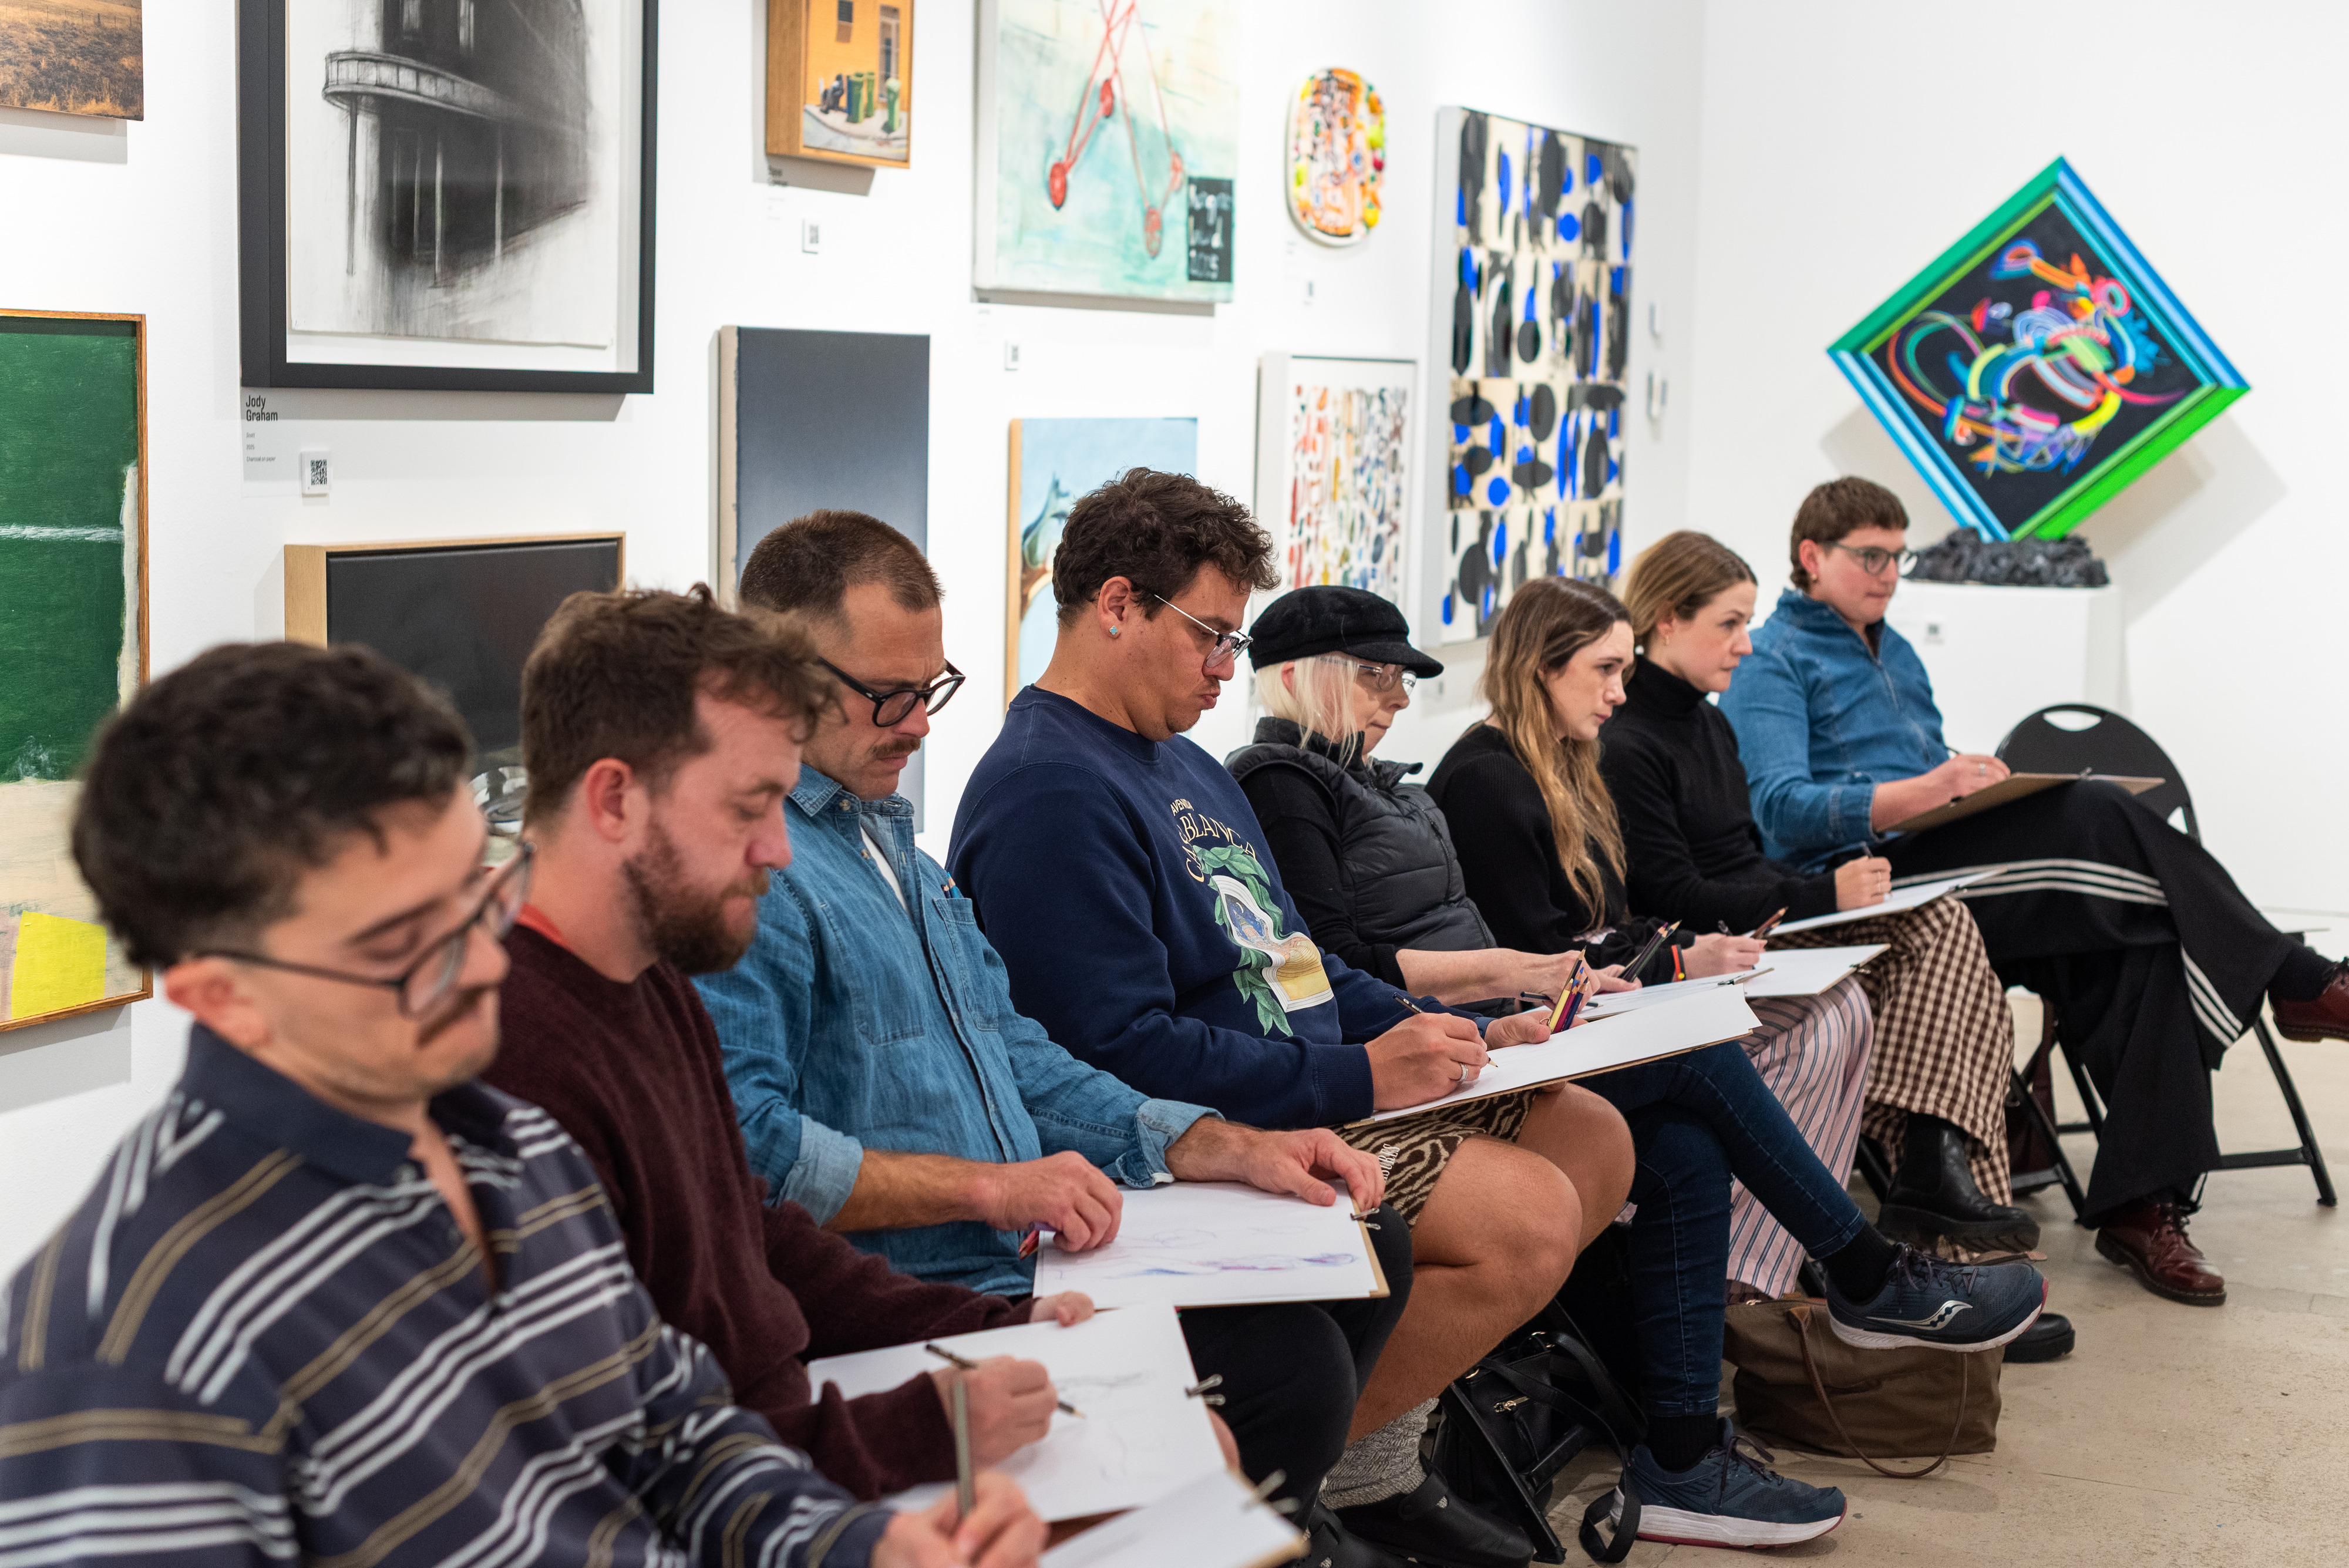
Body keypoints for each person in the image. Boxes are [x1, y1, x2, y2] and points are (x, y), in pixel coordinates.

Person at [0, 639, 1040, 1568]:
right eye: (406, 943)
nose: (480, 963)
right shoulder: (128, 1345)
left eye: (475, 887)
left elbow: (666, 1437)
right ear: (223, 996)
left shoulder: (507, 1146)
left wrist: (856, 1545)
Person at [692, 512, 1415, 1566]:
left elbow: (1017, 1050)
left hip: (1013, 1250)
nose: (919, 725)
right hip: (934, 1279)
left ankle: (1278, 1527)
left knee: (1349, 1258)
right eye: (885, 696)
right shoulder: (762, 873)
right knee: (1287, 1367)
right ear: (775, 673)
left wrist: (1214, 1141)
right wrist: (985, 1190)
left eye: (930, 689)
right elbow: (750, 1152)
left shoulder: (891, 842)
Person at [949, 470, 1634, 1568]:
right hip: (1218, 1134)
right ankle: (1329, 1484)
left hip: (1311, 1092)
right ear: (1116, 606)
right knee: (1527, 1220)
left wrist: (1443, 1029)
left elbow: (1296, 966)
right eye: (1211, 637)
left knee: (1595, 1135)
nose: (1231, 669)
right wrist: (1364, 1078)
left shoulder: (1178, 758)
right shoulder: (1050, 790)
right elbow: (1109, 1054)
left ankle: (1355, 1470)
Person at [1425, 577, 2050, 1547]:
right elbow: (1536, 950)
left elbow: (1607, 924)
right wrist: (1671, 962)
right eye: (1603, 670)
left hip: (1568, 1024)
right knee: (1702, 1054)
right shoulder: (1486, 777)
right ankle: (1866, 1270)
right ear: (1538, 668)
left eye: (1626, 670)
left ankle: (1680, 1455)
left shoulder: (1563, 764)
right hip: (1517, 1044)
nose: (1619, 692)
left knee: (1683, 1146)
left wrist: (1668, 957)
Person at [476, 584, 1087, 1508]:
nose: (780, 849)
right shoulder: (512, 1062)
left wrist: (1000, 1321)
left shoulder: (651, 979)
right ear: (613, 798)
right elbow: (620, 1461)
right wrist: (924, 1426)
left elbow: (754, 1233)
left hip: (796, 1443)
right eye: (748, 807)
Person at [1721, 476, 2349, 1307]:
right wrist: (1930, 792)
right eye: (1869, 556)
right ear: (1812, 556)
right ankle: (2296, 978)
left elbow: (1929, 774)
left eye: (1897, 557)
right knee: (2093, 808)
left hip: (1947, 862)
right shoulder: (1774, 659)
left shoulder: (1896, 652)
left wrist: (1973, 787)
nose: (1888, 574)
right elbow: (1779, 810)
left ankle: (2139, 1203)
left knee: (2148, 942)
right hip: (1871, 882)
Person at [1607, 531, 2041, 1257]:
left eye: (1747, 623)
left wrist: (1817, 891)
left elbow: (1741, 858)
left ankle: (1938, 1202)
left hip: (1757, 922)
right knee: (1943, 955)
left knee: (1946, 935)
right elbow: (1673, 892)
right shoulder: (1629, 744)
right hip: (1713, 948)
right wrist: (1817, 893)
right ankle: (1943, 1221)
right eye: (1730, 624)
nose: (1745, 645)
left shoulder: (1707, 722)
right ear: (1666, 620)